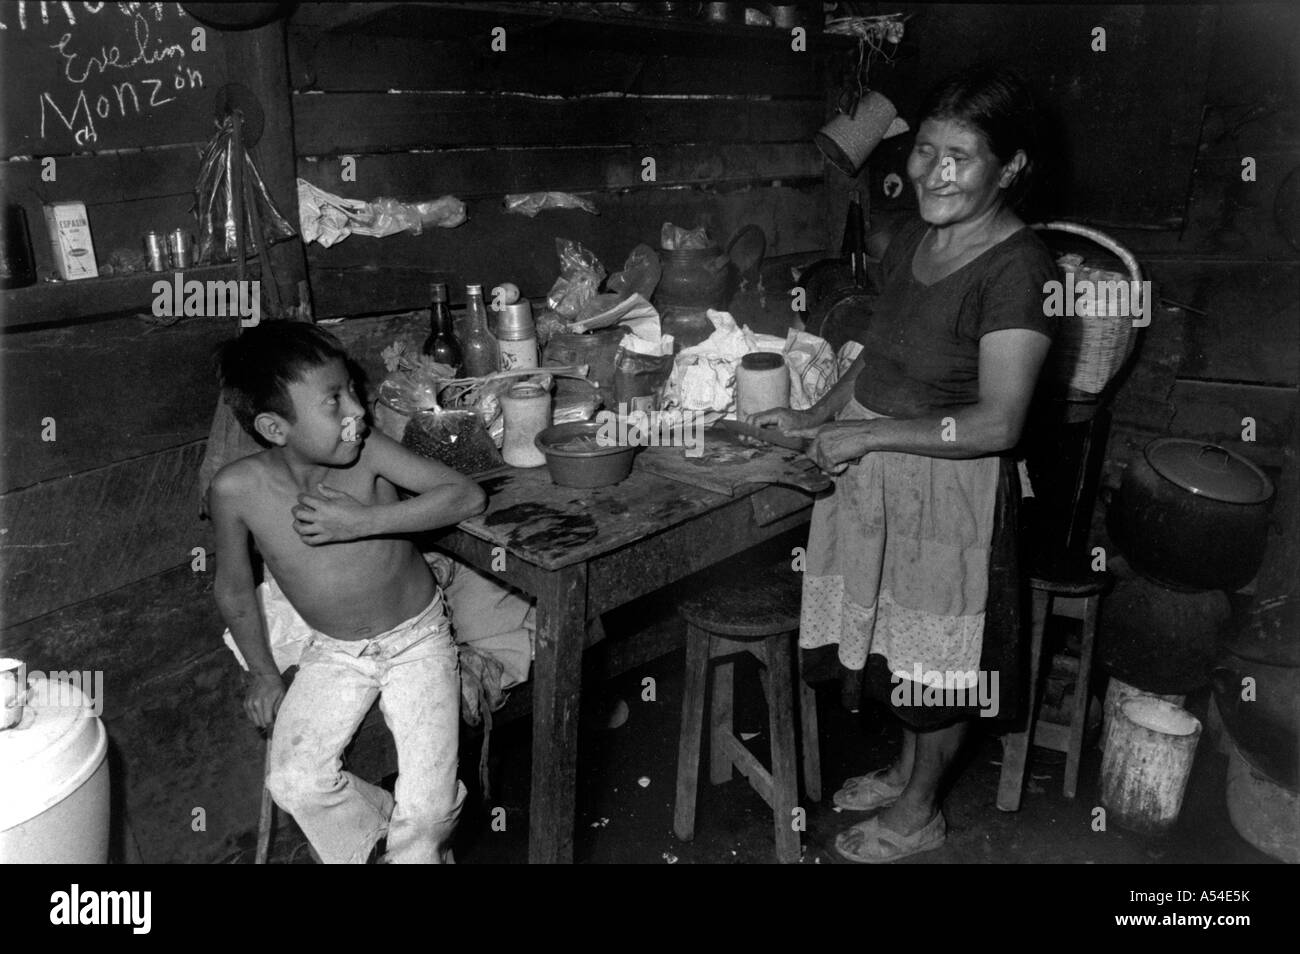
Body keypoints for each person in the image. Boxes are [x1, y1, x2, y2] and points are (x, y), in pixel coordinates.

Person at [753, 65, 1057, 863]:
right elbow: (878, 349)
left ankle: (919, 813)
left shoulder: (1019, 269)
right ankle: (904, 771)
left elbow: (1000, 421)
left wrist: (868, 438)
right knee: (901, 647)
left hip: (950, 490)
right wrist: (818, 414)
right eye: (925, 150)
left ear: (1011, 168)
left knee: (941, 667)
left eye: (962, 156)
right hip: (880, 475)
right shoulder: (917, 239)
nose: (935, 172)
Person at [210, 322, 486, 863]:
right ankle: (392, 839)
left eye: (352, 391)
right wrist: (263, 672)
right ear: (273, 427)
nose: (356, 411)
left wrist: (362, 522)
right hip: (334, 651)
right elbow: (234, 589)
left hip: (418, 640)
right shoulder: (236, 490)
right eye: (333, 401)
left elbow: (465, 496)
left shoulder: (368, 453)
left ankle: (417, 834)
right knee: (294, 782)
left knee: (428, 811)